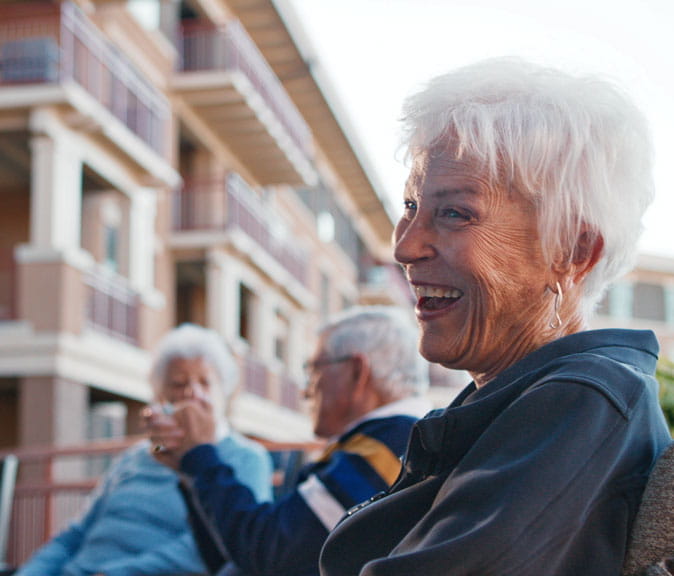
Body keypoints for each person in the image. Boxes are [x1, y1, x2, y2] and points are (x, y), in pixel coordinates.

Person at [319, 58, 673, 576]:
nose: (405, 245)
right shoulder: (523, 397)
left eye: (455, 213)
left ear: (573, 252)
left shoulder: (580, 401)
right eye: (412, 205)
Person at [147, 306, 431, 576]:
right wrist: (191, 468)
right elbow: (238, 557)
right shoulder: (390, 441)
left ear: (357, 371)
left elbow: (270, 555)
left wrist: (200, 457)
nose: (306, 391)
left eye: (313, 370)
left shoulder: (388, 449)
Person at [16, 324, 273, 576]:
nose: (192, 393)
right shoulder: (134, 457)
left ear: (223, 392)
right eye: (178, 383)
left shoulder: (247, 458)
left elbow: (217, 547)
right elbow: (76, 534)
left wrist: (115, 573)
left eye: (204, 382)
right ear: (160, 395)